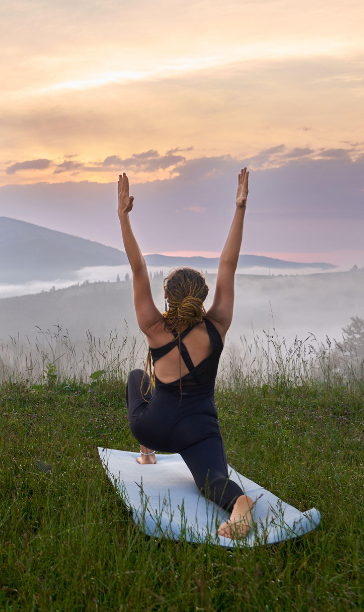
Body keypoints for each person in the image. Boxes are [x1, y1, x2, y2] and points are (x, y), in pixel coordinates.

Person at [118, 167, 255, 539]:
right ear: (204, 298)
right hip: (200, 430)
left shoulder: (154, 327)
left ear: (167, 297)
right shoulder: (216, 327)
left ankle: (146, 453)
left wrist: (123, 218)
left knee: (136, 378)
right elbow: (229, 264)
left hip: (155, 428)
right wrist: (239, 207)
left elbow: (138, 267)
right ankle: (240, 505)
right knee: (213, 482)